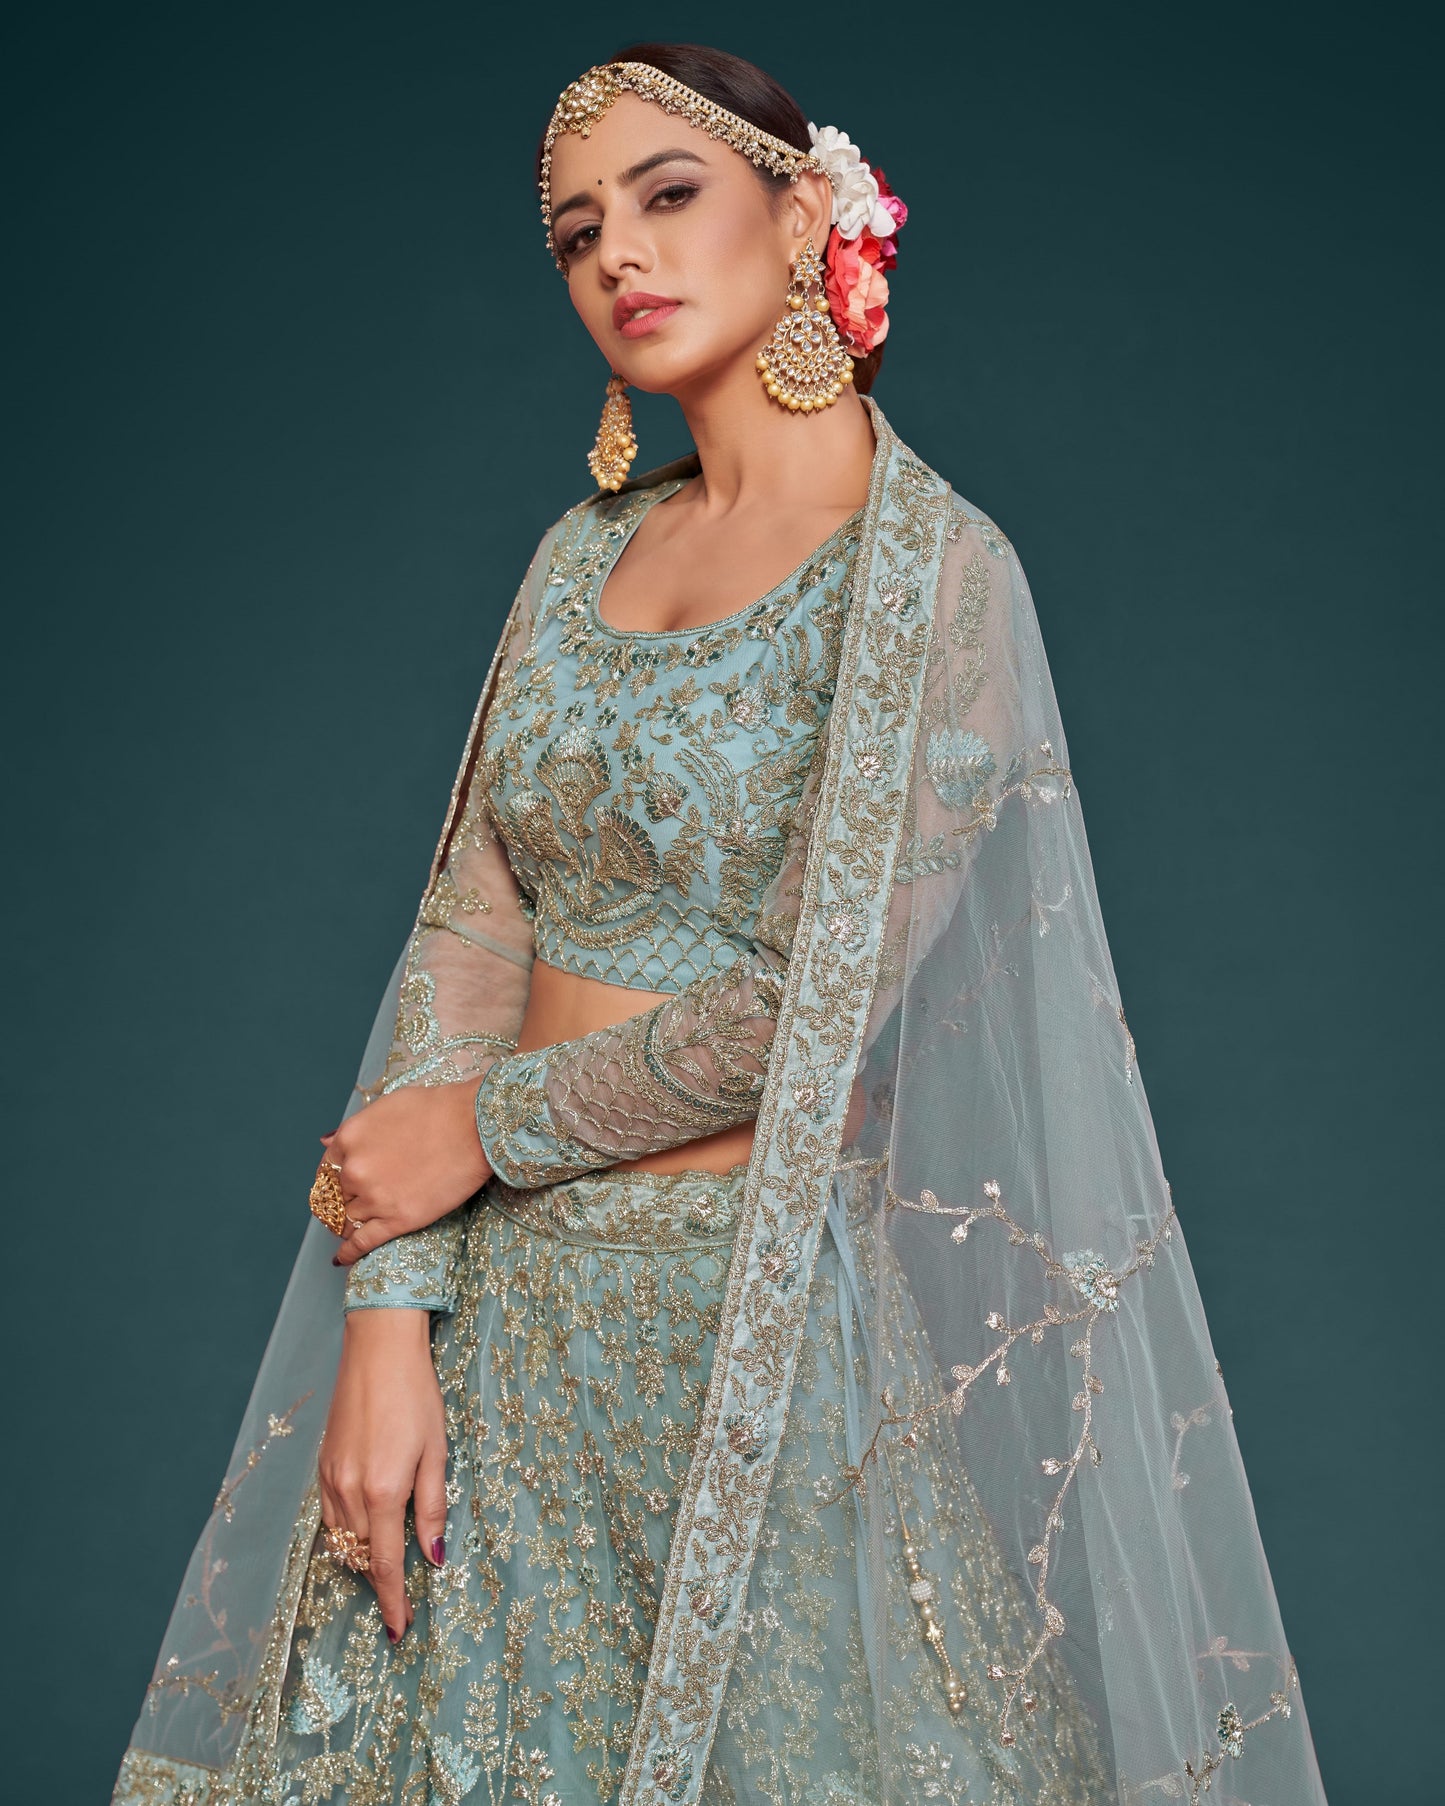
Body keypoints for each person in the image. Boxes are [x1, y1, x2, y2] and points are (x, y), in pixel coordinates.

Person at [113, 43, 1329, 1806]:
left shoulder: (934, 578)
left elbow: (803, 1000)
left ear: (805, 212)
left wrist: (482, 1131)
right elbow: (471, 928)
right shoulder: (570, 560)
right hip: (500, 1347)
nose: (617, 254)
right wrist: (388, 1316)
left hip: (744, 1354)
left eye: (667, 195)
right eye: (575, 230)